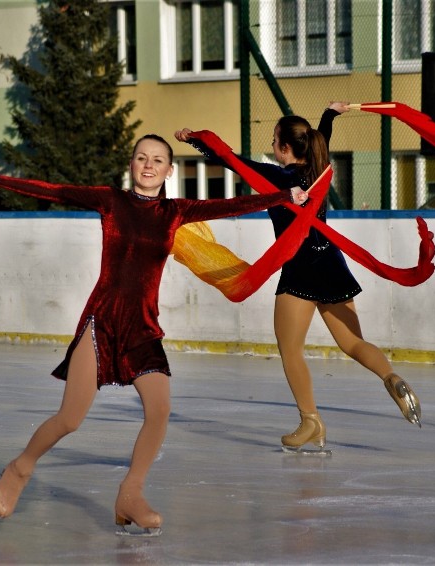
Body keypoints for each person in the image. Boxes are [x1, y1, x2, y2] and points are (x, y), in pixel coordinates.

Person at [0, 134, 310, 534]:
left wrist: (284, 196)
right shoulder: (112, 201)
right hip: (103, 321)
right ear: (131, 164)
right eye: (142, 158)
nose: (149, 165)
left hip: (142, 327)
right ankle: (21, 468)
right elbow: (57, 190)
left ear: (169, 170)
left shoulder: (175, 211)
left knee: (159, 411)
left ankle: (131, 494)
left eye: (158, 160)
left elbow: (229, 205)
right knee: (71, 418)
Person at [175, 102, 421, 453]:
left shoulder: (281, 178)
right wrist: (329, 115)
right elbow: (322, 139)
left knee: (291, 350)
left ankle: (311, 421)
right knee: (352, 343)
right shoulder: (319, 169)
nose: (272, 146)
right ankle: (391, 377)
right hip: (332, 265)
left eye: (275, 140)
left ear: (285, 148)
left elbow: (232, 161)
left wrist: (195, 139)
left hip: (301, 269)